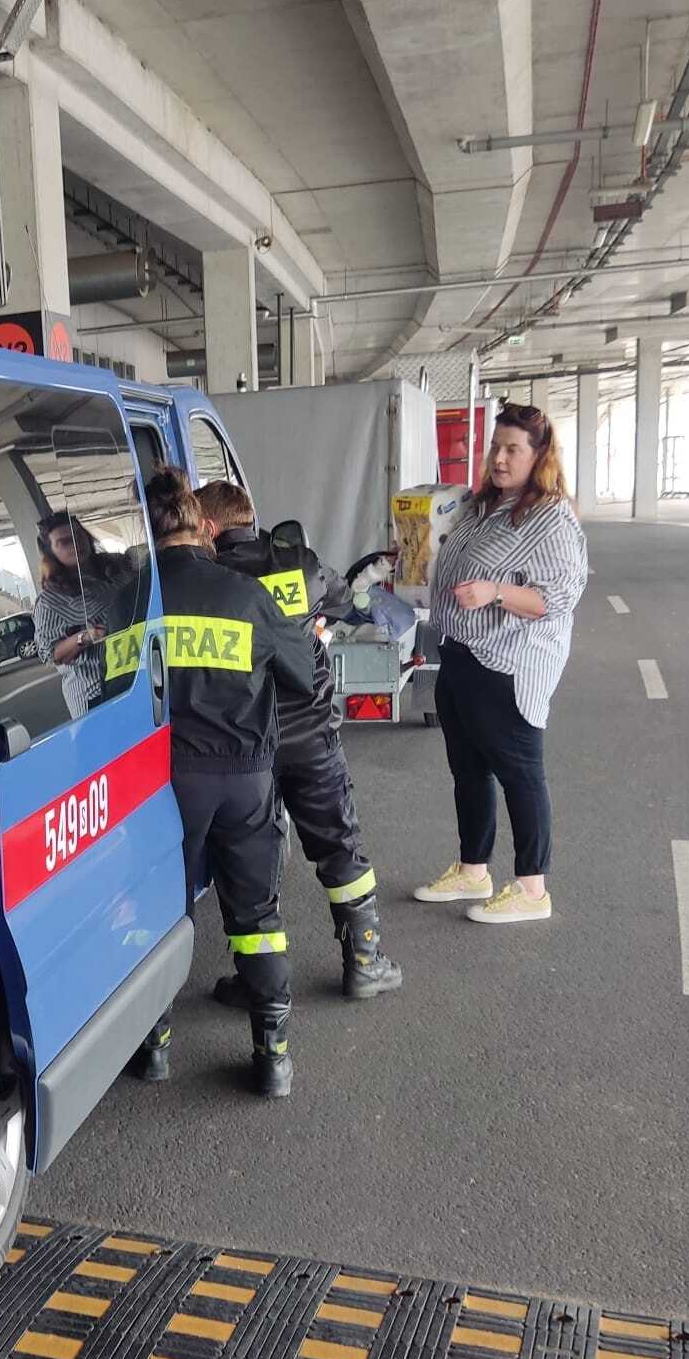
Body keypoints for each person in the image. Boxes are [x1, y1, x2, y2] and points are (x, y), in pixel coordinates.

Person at [130, 467, 316, 1099]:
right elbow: (301, 677)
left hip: (164, 785)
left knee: (159, 911)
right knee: (257, 915)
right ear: (199, 526)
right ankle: (273, 1057)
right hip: (244, 779)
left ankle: (153, 1046)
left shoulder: (136, 600)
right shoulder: (245, 595)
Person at [198, 478, 402, 1002]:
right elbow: (339, 601)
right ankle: (365, 960)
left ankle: (258, 979)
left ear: (208, 526)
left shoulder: (208, 578)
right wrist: (314, 627)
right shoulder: (298, 562)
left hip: (248, 749)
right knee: (338, 842)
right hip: (311, 734)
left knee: (252, 870)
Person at [415, 400, 588, 923]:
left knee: (520, 773)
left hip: (508, 663)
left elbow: (558, 597)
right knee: (468, 770)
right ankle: (474, 871)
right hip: (460, 653)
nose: (500, 458)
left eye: (513, 449)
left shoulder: (551, 516)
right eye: (495, 447)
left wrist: (495, 592)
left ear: (540, 456)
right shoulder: (482, 505)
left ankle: (532, 889)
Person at [30, 511, 122, 719]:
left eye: (78, 535)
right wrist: (85, 637)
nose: (76, 544)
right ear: (51, 552)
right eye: (64, 542)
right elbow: (51, 654)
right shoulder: (51, 600)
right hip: (93, 693)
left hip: (132, 678)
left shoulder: (117, 567)